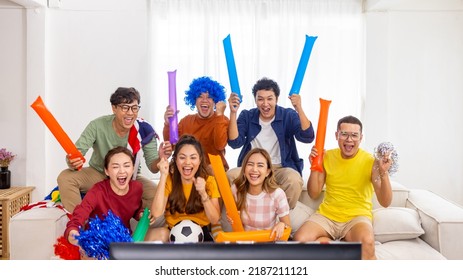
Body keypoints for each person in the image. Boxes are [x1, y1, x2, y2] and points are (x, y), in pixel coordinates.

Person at [57, 87, 172, 216]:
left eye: (134, 108)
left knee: (160, 196)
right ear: (114, 108)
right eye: (124, 107)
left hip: (129, 178)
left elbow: (153, 167)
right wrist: (72, 161)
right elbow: (76, 153)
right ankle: (81, 223)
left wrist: (161, 158)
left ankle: (129, 209)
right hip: (100, 174)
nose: (130, 113)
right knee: (65, 177)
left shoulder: (144, 129)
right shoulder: (97, 125)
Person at [293, 115, 393, 260]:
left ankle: (345, 241)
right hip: (328, 215)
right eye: (344, 134)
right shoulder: (327, 156)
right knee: (299, 240)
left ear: (361, 138)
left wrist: (384, 173)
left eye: (354, 135)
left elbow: (386, 202)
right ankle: (336, 243)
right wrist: (315, 165)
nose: (349, 139)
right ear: (337, 135)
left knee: (368, 243)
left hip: (356, 217)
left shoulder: (371, 162)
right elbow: (313, 193)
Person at [227, 77, 315, 210]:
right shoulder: (247, 116)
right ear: (255, 100)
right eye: (260, 99)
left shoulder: (287, 115)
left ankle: (280, 216)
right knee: (230, 176)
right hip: (252, 167)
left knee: (294, 180)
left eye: (269, 98)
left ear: (276, 99)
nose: (265, 103)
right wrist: (233, 112)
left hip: (280, 167)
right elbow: (234, 142)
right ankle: (242, 215)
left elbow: (307, 137)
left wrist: (299, 108)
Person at [64, 146, 166, 258]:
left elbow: (135, 208)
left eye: (127, 166)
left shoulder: (137, 188)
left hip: (124, 240)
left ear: (133, 169)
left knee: (164, 233)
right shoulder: (97, 191)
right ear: (107, 171)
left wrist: (141, 214)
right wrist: (72, 230)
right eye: (115, 167)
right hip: (99, 242)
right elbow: (81, 212)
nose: (122, 171)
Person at [147, 134, 221, 242]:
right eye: (182, 157)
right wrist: (163, 175)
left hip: (200, 233)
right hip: (173, 231)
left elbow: (214, 219)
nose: (187, 162)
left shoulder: (209, 181)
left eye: (193, 157)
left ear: (200, 160)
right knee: (160, 234)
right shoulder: (169, 179)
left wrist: (203, 194)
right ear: (176, 160)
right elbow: (156, 212)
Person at [163, 76, 229, 172]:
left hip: (214, 169)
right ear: (194, 100)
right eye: (200, 96)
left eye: (209, 97)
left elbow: (220, 145)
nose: (204, 100)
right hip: (190, 168)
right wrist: (168, 124)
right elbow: (171, 146)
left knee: (211, 169)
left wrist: (219, 115)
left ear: (215, 101)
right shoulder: (186, 121)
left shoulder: (222, 119)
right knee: (172, 168)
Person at [229, 148, 290, 241]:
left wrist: (282, 225)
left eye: (260, 165)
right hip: (245, 244)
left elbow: (288, 227)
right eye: (250, 164)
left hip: (267, 246)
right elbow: (237, 230)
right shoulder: (236, 189)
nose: (254, 169)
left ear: (267, 172)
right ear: (244, 169)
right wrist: (234, 220)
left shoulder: (277, 194)